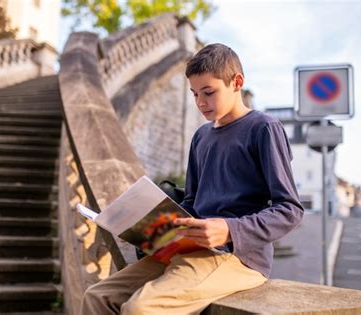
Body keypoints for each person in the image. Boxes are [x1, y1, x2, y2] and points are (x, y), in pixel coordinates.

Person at [80, 43, 304, 314]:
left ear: (237, 82)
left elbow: (290, 210)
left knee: (141, 309)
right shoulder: (201, 137)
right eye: (195, 94)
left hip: (237, 258)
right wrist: (144, 227)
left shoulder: (264, 128)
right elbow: (191, 203)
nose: (200, 102)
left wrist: (230, 230)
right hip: (187, 250)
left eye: (209, 92)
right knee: (97, 296)